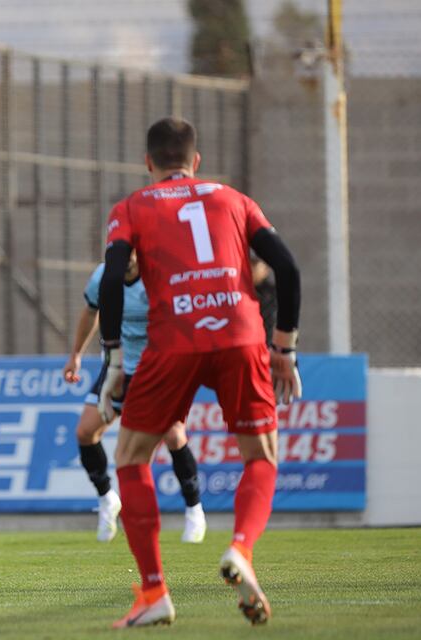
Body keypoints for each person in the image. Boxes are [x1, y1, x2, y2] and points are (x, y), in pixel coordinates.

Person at [98, 117, 301, 628]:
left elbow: (112, 278)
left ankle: (154, 592)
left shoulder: (132, 207)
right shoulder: (235, 200)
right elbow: (288, 268)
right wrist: (285, 348)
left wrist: (115, 358)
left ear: (148, 163)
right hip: (241, 335)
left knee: (131, 457)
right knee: (261, 456)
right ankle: (241, 549)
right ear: (196, 161)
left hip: (174, 339)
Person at [63, 251, 206, 544]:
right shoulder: (103, 276)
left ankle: (194, 510)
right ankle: (107, 499)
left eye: (129, 249)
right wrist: (76, 354)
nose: (124, 255)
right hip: (116, 369)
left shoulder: (158, 277)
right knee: (85, 432)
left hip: (156, 369)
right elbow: (90, 312)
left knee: (173, 435)